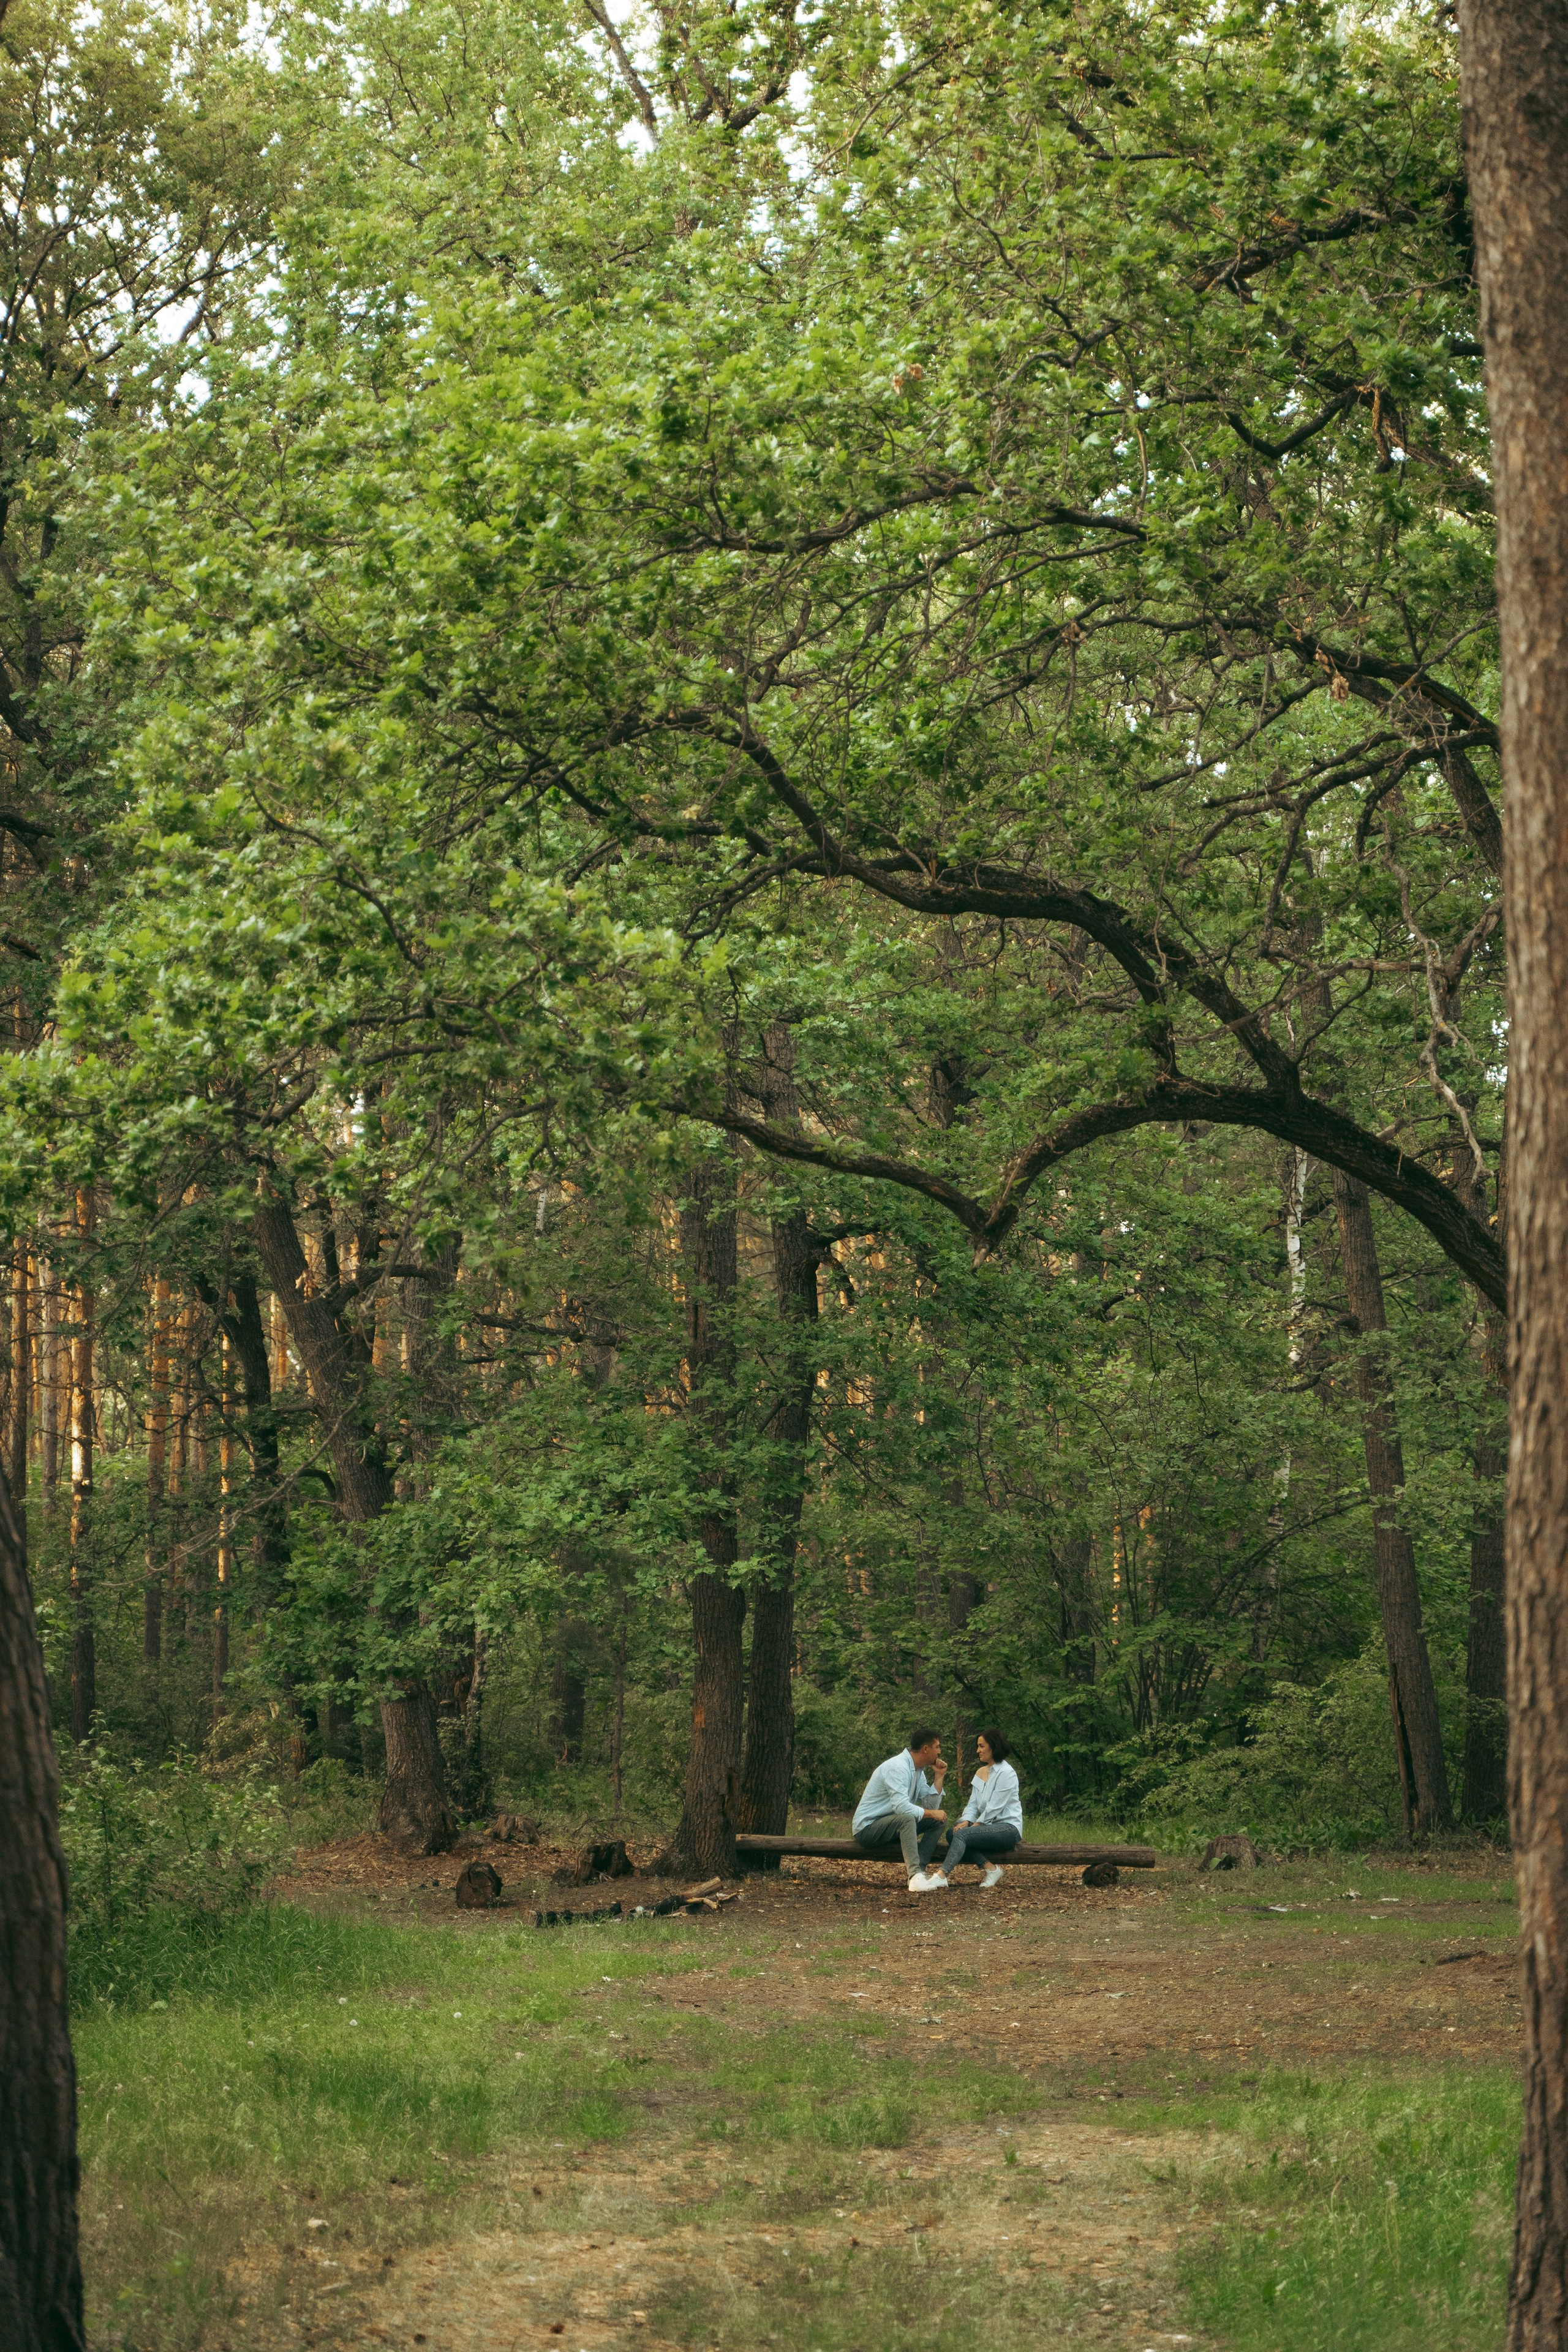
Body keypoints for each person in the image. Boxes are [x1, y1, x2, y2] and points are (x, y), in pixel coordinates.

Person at [852, 1727, 949, 1892]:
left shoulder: (918, 1770)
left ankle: (920, 1872)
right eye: (937, 1747)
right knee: (907, 1818)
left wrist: (939, 1776)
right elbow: (901, 1807)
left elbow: (932, 1807)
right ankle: (915, 1876)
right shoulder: (898, 1767)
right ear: (926, 1749)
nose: (939, 1751)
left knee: (938, 1821)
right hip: (868, 1828)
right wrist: (932, 1813)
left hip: (892, 1825)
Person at [924, 1729, 1022, 1890]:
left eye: (982, 1746)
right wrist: (966, 1821)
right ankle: (991, 1869)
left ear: (994, 1747)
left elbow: (994, 1808)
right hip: (986, 1827)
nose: (978, 1750)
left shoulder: (1007, 1773)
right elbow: (973, 1805)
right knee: (953, 1833)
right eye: (978, 1746)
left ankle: (942, 1875)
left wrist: (974, 1826)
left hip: (1008, 1829)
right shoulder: (980, 1772)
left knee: (962, 1834)